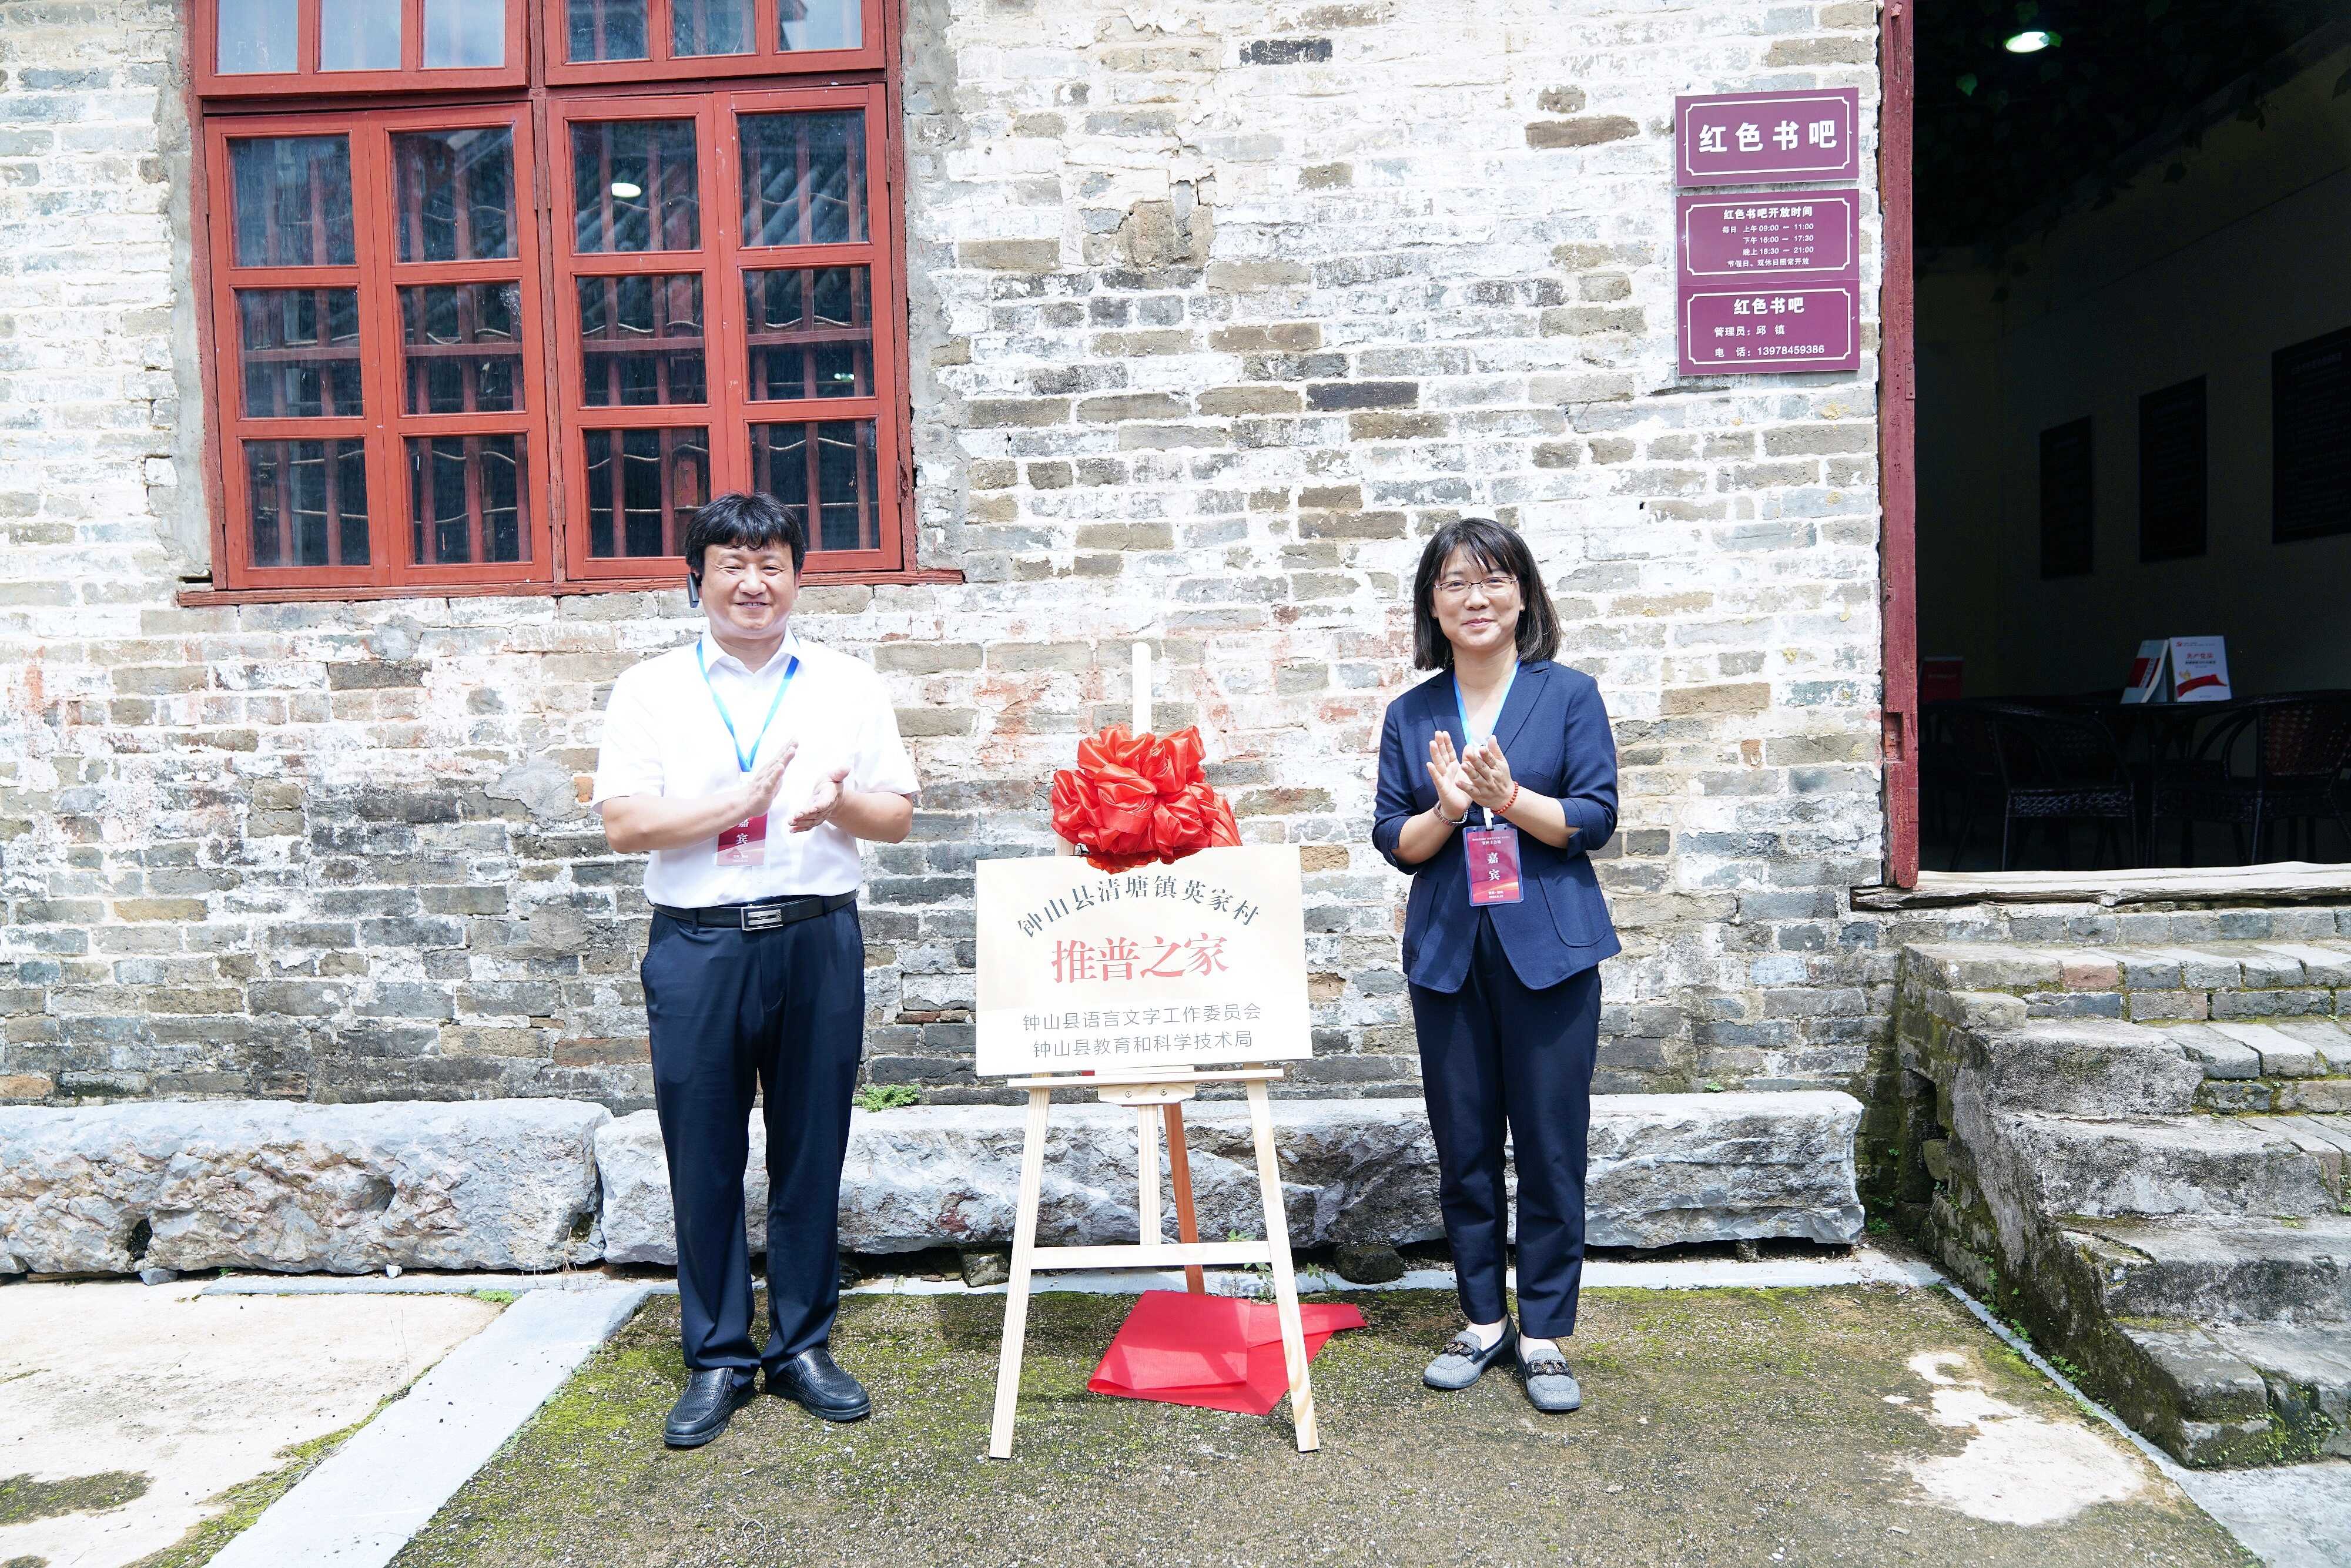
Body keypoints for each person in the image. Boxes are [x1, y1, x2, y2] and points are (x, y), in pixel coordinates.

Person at [591, 491, 919, 1448]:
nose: (753, 582)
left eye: (771, 563)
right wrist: (737, 801)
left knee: (813, 1146)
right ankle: (719, 1357)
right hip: (699, 945)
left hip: (817, 936)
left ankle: (803, 1346)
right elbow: (626, 824)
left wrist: (839, 806)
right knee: (702, 1153)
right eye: (731, 564)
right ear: (696, 579)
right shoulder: (651, 689)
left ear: (797, 578)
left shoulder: (846, 683)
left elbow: (897, 815)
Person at [1371, 516, 1620, 1414]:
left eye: (1493, 580)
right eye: (1454, 584)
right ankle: (1482, 1319)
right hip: (1448, 952)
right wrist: (1447, 811)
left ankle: (1545, 1331)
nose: (1475, 598)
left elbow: (1595, 817)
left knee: (1552, 1145)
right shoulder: (1412, 714)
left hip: (1551, 951)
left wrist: (1508, 798)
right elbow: (1394, 839)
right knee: (1464, 1145)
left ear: (1522, 596)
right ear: (1432, 606)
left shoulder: (1570, 695)